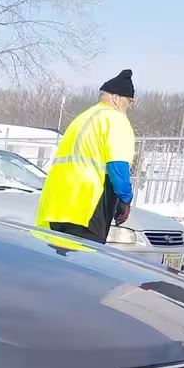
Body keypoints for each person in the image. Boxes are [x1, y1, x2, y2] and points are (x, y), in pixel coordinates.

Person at [36, 69, 136, 243]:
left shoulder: (82, 118)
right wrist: (125, 199)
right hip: (86, 206)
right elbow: (118, 164)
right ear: (116, 98)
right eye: (129, 101)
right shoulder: (115, 119)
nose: (129, 107)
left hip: (56, 205)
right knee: (85, 257)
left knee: (57, 256)